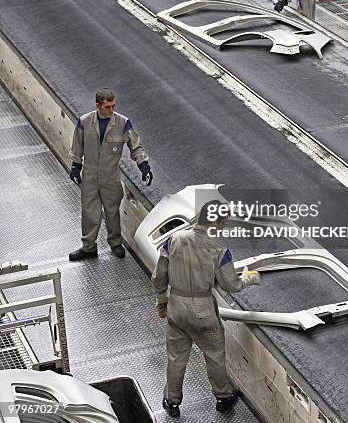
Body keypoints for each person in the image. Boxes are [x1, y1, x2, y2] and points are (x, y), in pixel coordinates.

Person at [152, 200, 261, 418]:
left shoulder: (174, 239)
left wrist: (161, 300)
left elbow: (159, 276)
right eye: (223, 223)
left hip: (176, 307)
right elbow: (232, 285)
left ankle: (171, 401)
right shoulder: (218, 248)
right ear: (215, 222)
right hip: (202, 310)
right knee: (214, 355)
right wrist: (250, 278)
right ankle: (222, 397)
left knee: (176, 357)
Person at [68, 88, 152, 261]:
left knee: (112, 212)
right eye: (107, 107)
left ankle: (115, 243)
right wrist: (75, 167)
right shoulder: (84, 122)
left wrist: (144, 166)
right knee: (90, 213)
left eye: (113, 106)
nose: (111, 110)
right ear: (98, 105)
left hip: (111, 176)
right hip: (90, 176)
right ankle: (88, 247)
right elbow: (77, 146)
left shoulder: (123, 123)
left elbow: (135, 146)